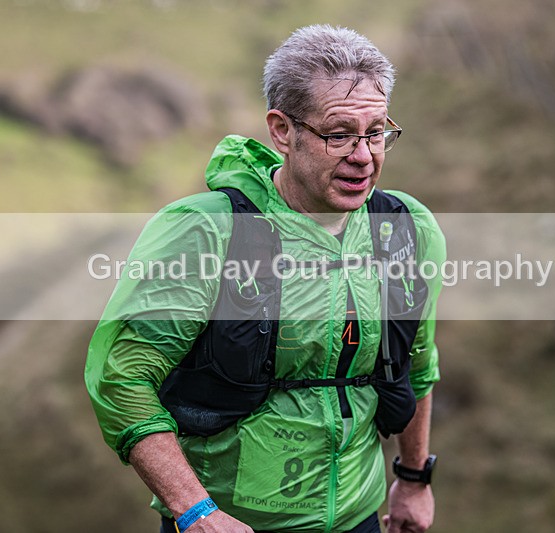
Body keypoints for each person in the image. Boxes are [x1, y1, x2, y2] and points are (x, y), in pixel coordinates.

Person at [85, 24, 445, 532]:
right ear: (282, 130)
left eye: (376, 131)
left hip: (359, 519)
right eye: (339, 134)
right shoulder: (205, 231)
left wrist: (412, 479)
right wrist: (196, 512)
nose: (364, 155)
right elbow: (122, 378)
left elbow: (417, 363)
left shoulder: (405, 228)